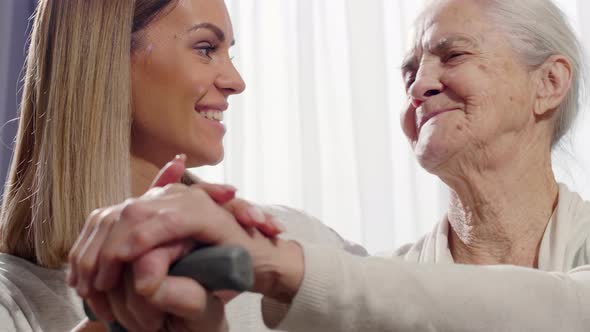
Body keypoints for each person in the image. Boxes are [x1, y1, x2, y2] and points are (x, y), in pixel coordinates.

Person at [70, 0, 590, 331]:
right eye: (410, 70)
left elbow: (564, 312)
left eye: (451, 56)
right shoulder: (373, 284)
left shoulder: (351, 284)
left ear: (548, 83)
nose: (418, 85)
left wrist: (275, 262)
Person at [0, 0, 355, 331]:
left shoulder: (292, 238)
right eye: (206, 49)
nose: (236, 81)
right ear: (107, 60)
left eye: (228, 52)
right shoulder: (11, 298)